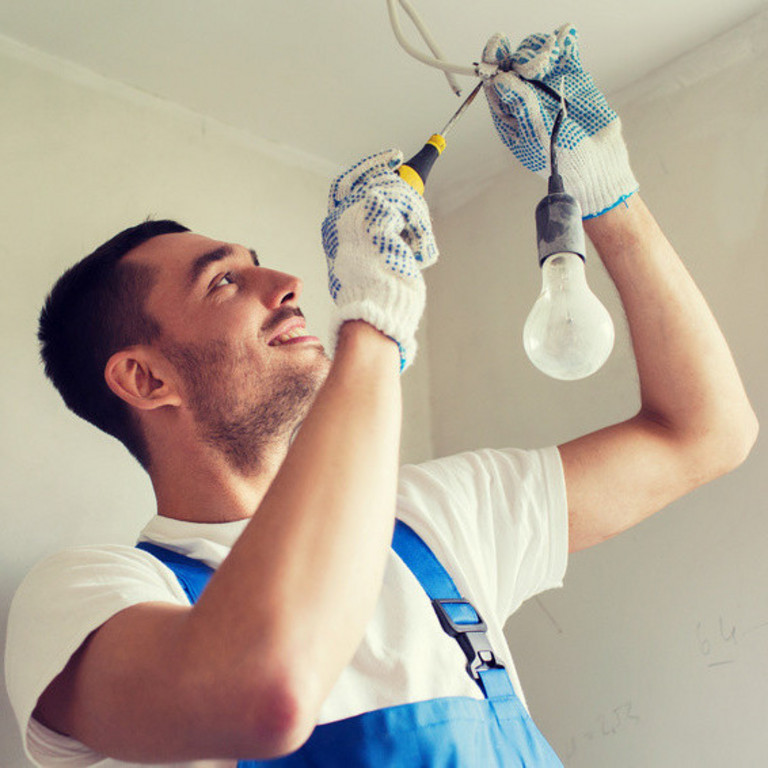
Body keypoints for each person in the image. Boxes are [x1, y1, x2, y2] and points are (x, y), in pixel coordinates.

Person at [5, 25, 758, 768]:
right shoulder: (88, 599)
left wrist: (602, 187)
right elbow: (267, 688)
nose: (287, 284)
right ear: (145, 379)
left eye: (260, 264)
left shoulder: (437, 520)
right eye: (225, 280)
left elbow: (707, 431)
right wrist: (375, 325)